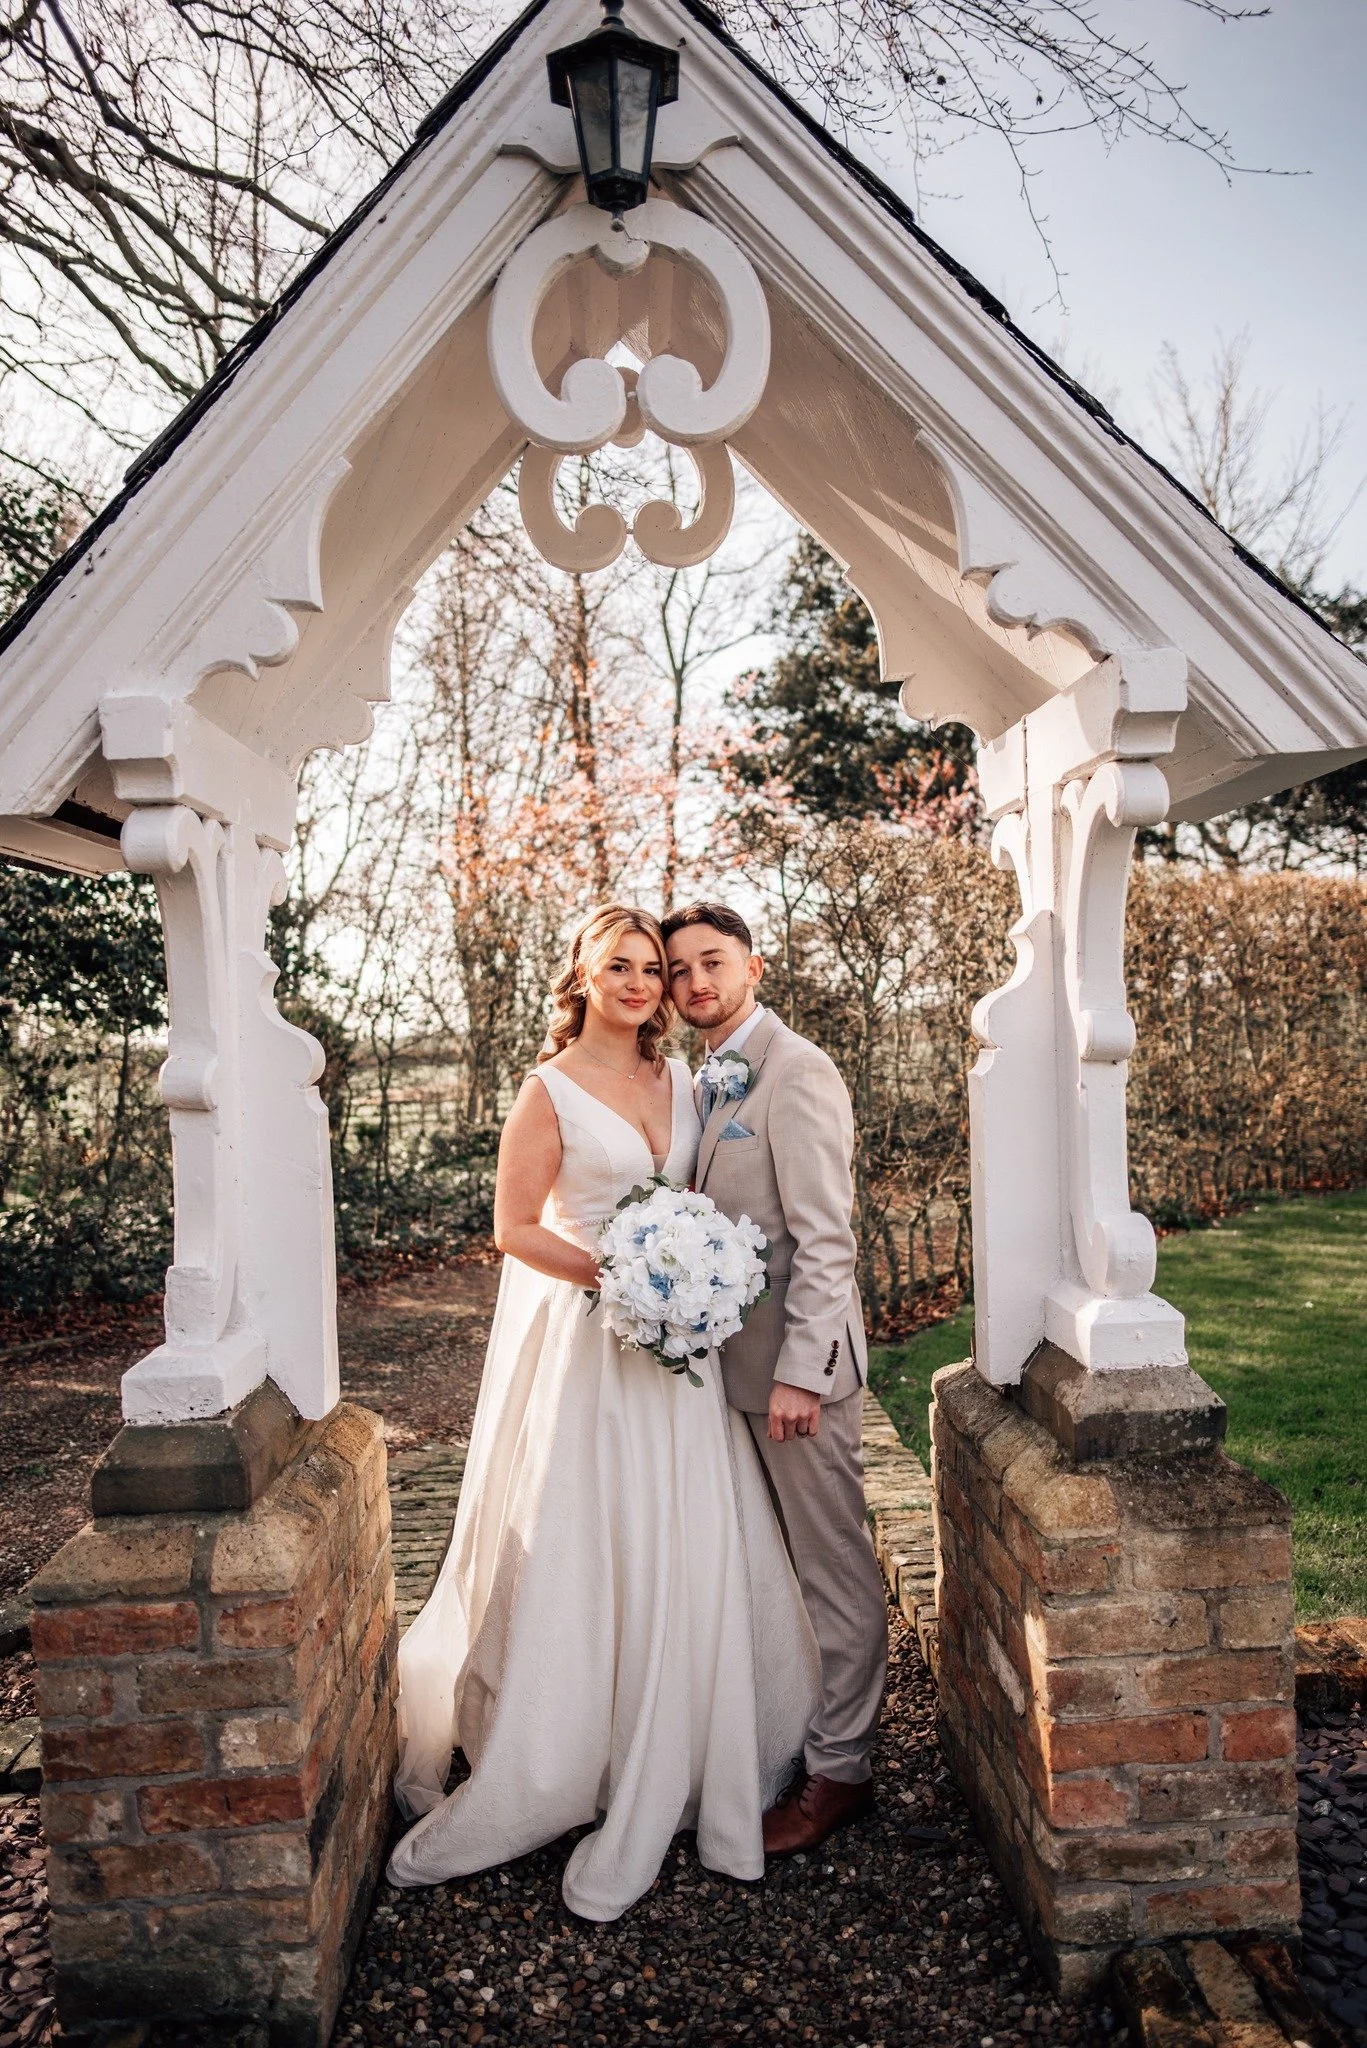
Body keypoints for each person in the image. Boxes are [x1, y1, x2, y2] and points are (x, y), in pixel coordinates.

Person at [386, 904, 819, 1920]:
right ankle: (560, 1750)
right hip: (594, 1345)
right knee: (590, 1536)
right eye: (617, 965)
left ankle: (684, 1738)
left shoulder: (686, 1078)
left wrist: (691, 1284)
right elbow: (512, 1228)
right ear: (580, 975)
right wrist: (624, 1277)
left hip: (681, 1356)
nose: (638, 982)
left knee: (685, 1535)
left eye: (650, 969)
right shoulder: (545, 1090)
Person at [661, 902, 888, 1856]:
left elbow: (827, 1241)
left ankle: (842, 1770)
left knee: (833, 1568)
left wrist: (804, 1373)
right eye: (678, 972)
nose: (694, 982)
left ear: (755, 966)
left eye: (713, 963)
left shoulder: (797, 1070)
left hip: (796, 1381)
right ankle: (787, 1728)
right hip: (724, 1372)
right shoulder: (704, 1080)